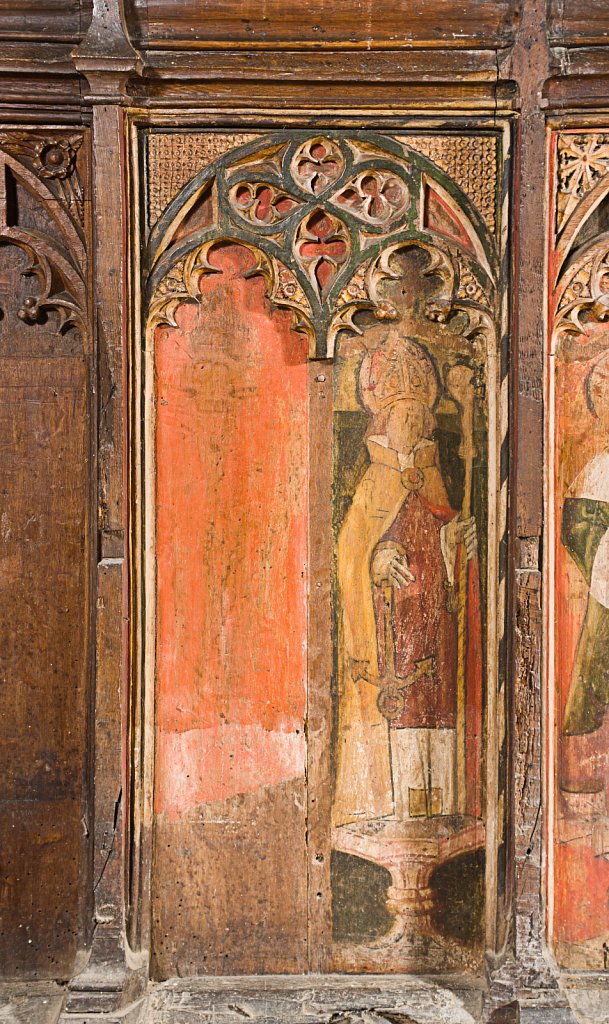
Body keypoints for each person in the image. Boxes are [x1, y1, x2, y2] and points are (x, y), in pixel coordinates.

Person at [332, 332, 482, 828]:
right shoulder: (374, 481)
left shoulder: (433, 474)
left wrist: (457, 543)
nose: (415, 422)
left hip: (433, 645)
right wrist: (372, 563)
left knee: (435, 743)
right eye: (405, 413)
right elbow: (350, 552)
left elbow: (444, 552)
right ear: (383, 420)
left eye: (421, 414)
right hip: (389, 649)